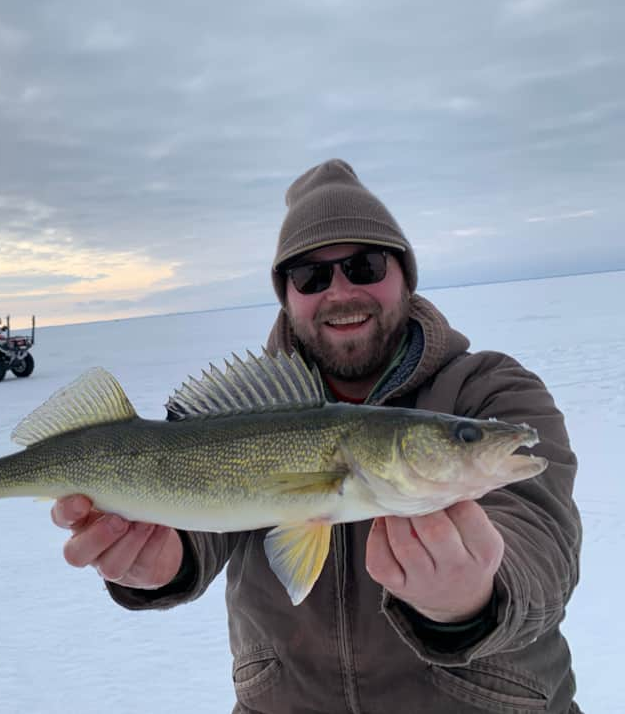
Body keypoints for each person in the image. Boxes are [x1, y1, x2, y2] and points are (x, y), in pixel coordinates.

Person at [51, 159, 582, 713]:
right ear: (287, 295)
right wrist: (165, 562)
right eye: (311, 276)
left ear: (404, 275)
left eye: (366, 264)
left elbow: (540, 534)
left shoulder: (493, 390)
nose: (340, 291)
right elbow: (208, 515)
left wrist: (474, 599)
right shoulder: (245, 416)